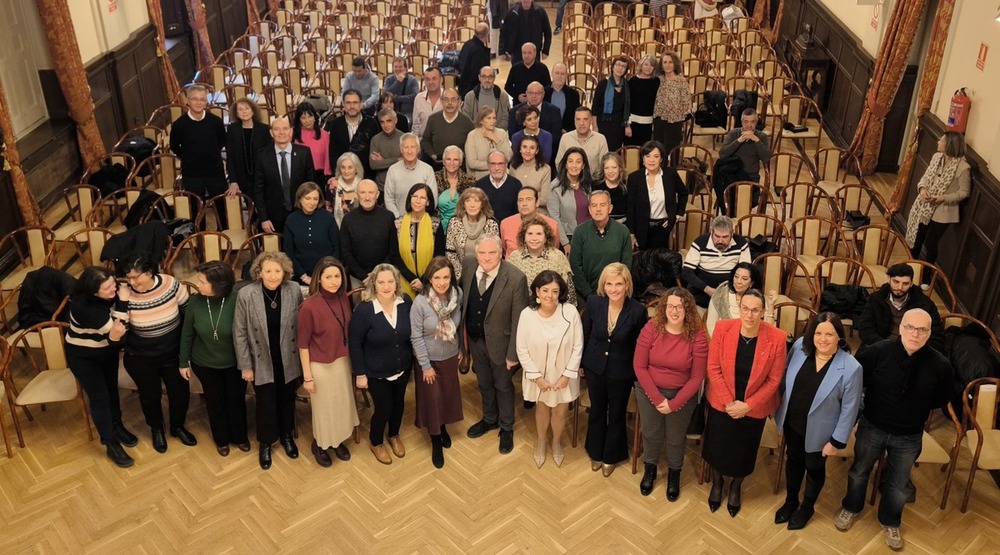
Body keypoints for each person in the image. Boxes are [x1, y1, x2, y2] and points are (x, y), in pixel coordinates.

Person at [834, 309, 952, 551]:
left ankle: (890, 520)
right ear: (901, 328)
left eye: (922, 330)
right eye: (910, 327)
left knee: (898, 485)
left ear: (929, 334)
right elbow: (857, 384)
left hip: (908, 435)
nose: (915, 334)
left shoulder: (941, 365)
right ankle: (851, 507)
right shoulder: (877, 352)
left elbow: (939, 398)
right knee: (859, 472)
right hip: (872, 427)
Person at [703, 289, 787, 517]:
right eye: (746, 309)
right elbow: (713, 368)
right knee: (717, 445)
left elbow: (774, 379)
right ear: (739, 307)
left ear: (763, 311)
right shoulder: (723, 328)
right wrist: (730, 402)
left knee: (743, 450)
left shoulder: (777, 337)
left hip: (753, 407)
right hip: (723, 402)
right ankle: (717, 483)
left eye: (755, 310)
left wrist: (747, 405)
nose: (750, 315)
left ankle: (736, 486)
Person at [774, 313, 862, 530]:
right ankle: (791, 501)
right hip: (793, 423)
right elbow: (784, 379)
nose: (823, 339)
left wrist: (836, 441)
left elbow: (851, 409)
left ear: (839, 337)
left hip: (822, 434)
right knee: (793, 462)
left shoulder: (851, 367)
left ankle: (807, 507)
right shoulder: (798, 349)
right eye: (819, 333)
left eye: (829, 334)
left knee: (814, 469)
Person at [116, 253, 194, 453]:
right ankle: (156, 429)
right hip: (141, 356)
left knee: (180, 393)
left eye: (136, 277)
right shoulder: (124, 294)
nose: (132, 282)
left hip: (172, 352)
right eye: (128, 278)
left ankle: (177, 426)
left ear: (149, 272)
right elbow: (119, 328)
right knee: (150, 396)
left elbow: (187, 311)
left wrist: (186, 348)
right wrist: (123, 301)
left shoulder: (170, 284)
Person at [634, 287, 707, 499]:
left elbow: (696, 378)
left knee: (675, 438)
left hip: (682, 396)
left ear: (688, 310)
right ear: (664, 308)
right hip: (649, 392)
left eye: (680, 307)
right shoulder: (650, 328)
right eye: (670, 306)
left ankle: (674, 474)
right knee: (651, 433)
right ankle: (650, 469)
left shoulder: (698, 336)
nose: (674, 311)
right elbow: (639, 367)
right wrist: (657, 399)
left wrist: (674, 404)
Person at [233, 252, 304, 470]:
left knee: (286, 399)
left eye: (277, 271)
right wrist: (245, 365)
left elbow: (301, 324)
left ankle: (286, 436)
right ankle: (266, 443)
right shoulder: (246, 294)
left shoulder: (293, 290)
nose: (273, 276)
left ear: (285, 272)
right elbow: (240, 332)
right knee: (265, 404)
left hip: (288, 357)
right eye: (268, 271)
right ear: (259, 272)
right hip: (260, 359)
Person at [462, 235, 529, 454]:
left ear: (501, 253)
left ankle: (506, 427)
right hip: (475, 339)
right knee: (484, 383)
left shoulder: (516, 277)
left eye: (492, 252)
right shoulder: (469, 264)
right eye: (482, 252)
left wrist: (513, 354)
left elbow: (519, 319)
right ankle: (490, 419)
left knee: (503, 385)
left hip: (502, 344)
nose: (487, 257)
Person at [65, 267, 136, 467]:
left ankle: (117, 425)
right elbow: (118, 327)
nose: (114, 288)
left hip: (106, 352)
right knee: (100, 397)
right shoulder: (83, 307)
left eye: (113, 283)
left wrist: (119, 291)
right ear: (92, 291)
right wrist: (123, 300)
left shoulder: (109, 290)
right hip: (83, 356)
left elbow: (114, 337)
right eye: (107, 288)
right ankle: (110, 442)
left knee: (112, 390)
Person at [580, 264, 646, 477]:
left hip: (622, 371)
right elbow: (585, 334)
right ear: (603, 285)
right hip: (595, 367)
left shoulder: (637, 310)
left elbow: (639, 346)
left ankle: (611, 455)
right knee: (597, 410)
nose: (614, 288)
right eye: (609, 283)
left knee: (617, 413)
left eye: (619, 284)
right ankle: (595, 451)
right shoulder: (593, 303)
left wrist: (636, 375)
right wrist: (581, 364)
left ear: (627, 285)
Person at [179, 262, 247, 457]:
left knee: (235, 400)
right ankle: (221, 439)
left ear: (219, 284)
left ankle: (240, 437)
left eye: (202, 282)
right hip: (205, 363)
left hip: (235, 363)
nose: (197, 285)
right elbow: (187, 334)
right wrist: (183, 362)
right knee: (215, 401)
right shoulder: (195, 302)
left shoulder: (238, 299)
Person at [348, 264, 414, 465]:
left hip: (402, 367)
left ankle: (393, 435)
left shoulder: (406, 302)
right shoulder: (364, 310)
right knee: (384, 408)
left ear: (397, 283)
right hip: (376, 372)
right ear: (374, 284)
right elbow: (355, 344)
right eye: (381, 282)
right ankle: (376, 442)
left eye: (390, 281)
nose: (386, 286)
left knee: (399, 404)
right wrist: (360, 373)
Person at [517, 271, 583, 468]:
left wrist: (566, 376)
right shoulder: (526, 315)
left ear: (560, 293)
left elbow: (578, 346)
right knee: (542, 408)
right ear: (537, 290)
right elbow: (521, 349)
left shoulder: (570, 312)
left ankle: (555, 443)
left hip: (563, 375)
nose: (550, 295)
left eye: (555, 291)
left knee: (561, 411)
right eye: (545, 290)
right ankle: (541, 442)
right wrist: (537, 378)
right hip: (539, 377)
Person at [297, 257, 358, 468]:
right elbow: (303, 345)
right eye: (328, 277)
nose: (334, 281)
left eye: (337, 276)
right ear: (319, 279)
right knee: (324, 409)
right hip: (320, 365)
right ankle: (321, 445)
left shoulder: (342, 297)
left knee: (340, 405)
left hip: (342, 361)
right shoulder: (308, 306)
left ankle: (337, 440)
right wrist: (307, 377)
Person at [409, 257, 465, 468]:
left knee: (446, 396)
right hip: (429, 360)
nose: (442, 282)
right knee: (432, 400)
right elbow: (415, 336)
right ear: (429, 279)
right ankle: (435, 440)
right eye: (437, 277)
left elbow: (458, 325)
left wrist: (460, 349)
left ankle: (443, 428)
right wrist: (425, 366)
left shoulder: (457, 295)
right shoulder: (420, 303)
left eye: (446, 277)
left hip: (450, 357)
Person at [905, 131, 971, 280]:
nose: (938, 142)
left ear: (949, 145)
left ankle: (926, 278)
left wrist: (943, 198)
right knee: (917, 239)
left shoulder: (963, 168)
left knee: (930, 243)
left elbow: (964, 192)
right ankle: (908, 272)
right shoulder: (936, 157)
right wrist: (922, 189)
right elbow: (925, 177)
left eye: (941, 141)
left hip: (943, 212)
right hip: (924, 206)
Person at [856, 263, 944, 352]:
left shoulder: (925, 304)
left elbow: (937, 336)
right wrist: (886, 346)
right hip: (882, 347)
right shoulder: (875, 299)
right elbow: (865, 328)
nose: (899, 288)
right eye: (896, 282)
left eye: (905, 284)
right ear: (889, 279)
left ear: (911, 284)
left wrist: (914, 349)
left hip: (913, 351)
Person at [253, 116, 316, 233]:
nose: (281, 132)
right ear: (271, 133)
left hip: (301, 212)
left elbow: (311, 185)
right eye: (277, 129)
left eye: (285, 128)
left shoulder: (304, 153)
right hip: (273, 217)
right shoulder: (262, 155)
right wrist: (263, 218)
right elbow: (258, 190)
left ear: (291, 131)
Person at [570, 190, 633, 301]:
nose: (598, 209)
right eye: (594, 206)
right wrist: (589, 294)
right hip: (586, 294)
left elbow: (626, 266)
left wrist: (615, 290)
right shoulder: (580, 231)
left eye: (602, 205)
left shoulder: (623, 231)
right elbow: (575, 266)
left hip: (615, 292)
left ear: (610, 208)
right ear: (589, 209)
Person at [339, 179, 402, 290]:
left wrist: (376, 274)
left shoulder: (388, 217)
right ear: (357, 194)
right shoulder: (348, 219)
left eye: (371, 192)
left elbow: (392, 250)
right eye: (363, 193)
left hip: (384, 278)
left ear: (377, 194)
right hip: (358, 279)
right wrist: (363, 276)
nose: (367, 197)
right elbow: (346, 253)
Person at [170, 84, 227, 204]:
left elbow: (222, 141)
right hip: (192, 173)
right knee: (196, 208)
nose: (198, 102)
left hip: (215, 171)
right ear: (188, 101)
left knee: (222, 207)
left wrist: (210, 152)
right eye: (194, 99)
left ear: (206, 102)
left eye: (202, 99)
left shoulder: (215, 121)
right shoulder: (179, 124)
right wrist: (188, 156)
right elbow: (174, 146)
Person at [681, 215, 752, 308]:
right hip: (703, 291)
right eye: (717, 236)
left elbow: (746, 270)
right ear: (711, 232)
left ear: (732, 233)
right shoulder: (700, 242)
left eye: (725, 237)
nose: (720, 241)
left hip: (731, 290)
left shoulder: (741, 243)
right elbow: (686, 272)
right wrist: (708, 289)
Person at [508, 216, 575, 306]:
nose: (534, 238)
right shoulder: (514, 258)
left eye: (539, 234)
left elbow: (569, 291)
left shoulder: (558, 257)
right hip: (522, 311)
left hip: (553, 310)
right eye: (530, 234)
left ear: (546, 237)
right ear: (524, 237)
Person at [396, 183, 446, 298]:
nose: (418, 201)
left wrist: (423, 281)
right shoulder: (398, 224)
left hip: (430, 282)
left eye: (422, 198)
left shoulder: (436, 224)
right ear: (410, 198)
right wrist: (413, 279)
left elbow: (439, 256)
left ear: (428, 202)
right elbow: (395, 256)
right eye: (415, 196)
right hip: (404, 282)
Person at [284, 182, 340, 285]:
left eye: (315, 199)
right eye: (308, 198)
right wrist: (304, 277)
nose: (312, 202)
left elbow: (337, 248)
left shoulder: (328, 218)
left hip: (327, 275)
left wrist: (327, 273)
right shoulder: (291, 220)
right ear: (300, 199)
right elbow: (289, 253)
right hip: (300, 277)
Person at [716, 108, 770, 213]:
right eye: (746, 122)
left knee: (750, 201)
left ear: (756, 122)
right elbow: (722, 154)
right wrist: (739, 141)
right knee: (732, 200)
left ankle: (742, 219)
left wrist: (756, 140)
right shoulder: (733, 134)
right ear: (741, 122)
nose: (749, 125)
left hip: (751, 176)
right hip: (732, 175)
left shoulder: (761, 136)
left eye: (752, 122)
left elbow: (766, 158)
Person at [706, 262, 775, 337]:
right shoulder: (720, 294)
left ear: (752, 283)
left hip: (752, 343)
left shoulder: (757, 298)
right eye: (736, 277)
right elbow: (711, 324)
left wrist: (771, 305)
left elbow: (769, 331)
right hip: (724, 341)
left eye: (744, 279)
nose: (738, 281)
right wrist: (721, 343)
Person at [445, 187, 500, 279]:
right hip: (461, 274)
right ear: (463, 204)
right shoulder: (454, 222)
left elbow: (495, 253)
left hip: (487, 273)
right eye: (468, 201)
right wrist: (461, 276)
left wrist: (484, 274)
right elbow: (450, 253)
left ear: (482, 204)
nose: (472, 205)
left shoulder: (491, 223)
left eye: (476, 201)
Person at [326, 89, 378, 179]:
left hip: (366, 177)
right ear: (343, 104)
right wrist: (337, 176)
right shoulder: (336, 123)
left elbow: (375, 151)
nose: (352, 106)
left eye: (355, 102)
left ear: (361, 104)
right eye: (348, 103)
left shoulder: (371, 123)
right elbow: (333, 153)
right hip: (343, 176)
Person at [548, 147, 594, 250]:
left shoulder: (587, 184)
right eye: (570, 161)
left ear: (583, 166)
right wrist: (565, 243)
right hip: (568, 237)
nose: (574, 165)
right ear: (565, 164)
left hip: (588, 234)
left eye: (578, 162)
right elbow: (554, 218)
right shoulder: (555, 186)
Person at [226, 97, 272, 197]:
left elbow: (270, 156)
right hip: (242, 178)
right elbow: (230, 156)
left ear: (253, 111)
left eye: (247, 108)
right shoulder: (232, 130)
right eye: (240, 109)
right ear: (237, 113)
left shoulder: (264, 129)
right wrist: (233, 181)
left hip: (263, 178)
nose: (244, 112)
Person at [385, 133, 438, 218]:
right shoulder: (392, 170)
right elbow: (389, 199)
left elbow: (432, 199)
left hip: (422, 220)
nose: (409, 151)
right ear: (401, 150)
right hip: (399, 220)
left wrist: (420, 218)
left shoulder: (428, 170)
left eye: (412, 147)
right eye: (406, 147)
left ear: (418, 149)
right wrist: (398, 218)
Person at [420, 88, 476, 170]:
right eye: (446, 99)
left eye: (453, 100)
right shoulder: (433, 119)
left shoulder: (467, 122)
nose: (450, 103)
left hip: (460, 169)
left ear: (459, 102)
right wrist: (432, 154)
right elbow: (425, 140)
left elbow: (473, 145)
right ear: (441, 101)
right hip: (437, 167)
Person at [500, 187, 560, 256]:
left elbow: (554, 249)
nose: (524, 204)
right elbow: (504, 250)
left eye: (529, 199)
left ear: (537, 203)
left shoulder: (552, 225)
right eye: (520, 200)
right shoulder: (505, 224)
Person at [652, 51, 690, 157]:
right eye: (665, 62)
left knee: (672, 149)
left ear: (675, 64)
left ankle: (671, 171)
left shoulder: (681, 81)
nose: (667, 65)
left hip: (675, 120)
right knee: (658, 148)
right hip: (659, 118)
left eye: (670, 62)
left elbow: (686, 102)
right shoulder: (658, 80)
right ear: (661, 65)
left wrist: (681, 118)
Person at [508, 82, 563, 151]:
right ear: (526, 94)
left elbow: (555, 136)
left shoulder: (554, 111)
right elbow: (512, 135)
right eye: (531, 93)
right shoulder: (514, 111)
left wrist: (536, 149)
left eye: (538, 93)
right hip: (522, 153)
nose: (534, 96)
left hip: (546, 151)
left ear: (543, 94)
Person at [434, 145, 477, 233]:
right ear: (443, 161)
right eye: (448, 159)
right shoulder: (434, 179)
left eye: (456, 160)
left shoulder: (470, 181)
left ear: (461, 162)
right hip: (438, 229)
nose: (452, 163)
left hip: (464, 229)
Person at [555, 107, 609, 176]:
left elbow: (604, 165)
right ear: (574, 121)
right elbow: (559, 163)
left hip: (593, 182)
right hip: (568, 182)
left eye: (585, 119)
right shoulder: (565, 138)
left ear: (591, 121)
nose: (581, 123)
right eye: (578, 119)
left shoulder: (600, 139)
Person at [592, 57, 632, 151]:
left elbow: (627, 108)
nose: (620, 68)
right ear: (613, 67)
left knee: (615, 152)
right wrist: (595, 126)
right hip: (603, 124)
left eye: (623, 66)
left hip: (618, 126)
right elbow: (595, 107)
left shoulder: (626, 85)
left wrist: (627, 125)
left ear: (626, 70)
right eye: (618, 65)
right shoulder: (603, 84)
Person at [499, 0, 552, 66]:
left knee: (534, 74)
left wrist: (545, 50)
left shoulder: (540, 12)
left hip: (534, 51)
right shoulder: (512, 12)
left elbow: (548, 32)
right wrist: (501, 51)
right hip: (517, 52)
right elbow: (504, 32)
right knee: (517, 74)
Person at [465, 107, 514, 179]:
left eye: (494, 118)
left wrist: (496, 140)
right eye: (489, 118)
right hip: (479, 178)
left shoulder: (502, 133)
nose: (492, 121)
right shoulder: (472, 136)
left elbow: (508, 157)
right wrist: (495, 165)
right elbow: (472, 163)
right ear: (481, 121)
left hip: (502, 176)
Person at [508, 135, 552, 213]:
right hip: (518, 211)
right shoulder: (513, 167)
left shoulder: (545, 169)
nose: (528, 151)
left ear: (537, 151)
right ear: (520, 149)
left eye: (532, 148)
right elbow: (512, 195)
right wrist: (535, 195)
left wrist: (522, 200)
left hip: (538, 212)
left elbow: (544, 199)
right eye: (524, 147)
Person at [476, 150, 523, 222]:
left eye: (500, 164)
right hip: (486, 228)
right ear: (488, 165)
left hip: (510, 227)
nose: (496, 168)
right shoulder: (480, 185)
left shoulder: (516, 185)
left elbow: (519, 212)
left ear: (506, 164)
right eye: (493, 164)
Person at [292, 102, 333, 185]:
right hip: (299, 175)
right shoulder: (293, 135)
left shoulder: (324, 135)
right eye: (303, 117)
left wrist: (328, 176)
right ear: (298, 120)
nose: (307, 120)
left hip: (319, 175)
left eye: (310, 116)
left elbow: (328, 157)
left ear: (315, 117)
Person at [627, 55, 660, 146]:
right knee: (630, 151)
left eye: (651, 65)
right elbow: (627, 103)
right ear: (641, 65)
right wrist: (627, 124)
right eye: (646, 64)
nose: (648, 67)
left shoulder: (656, 81)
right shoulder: (633, 81)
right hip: (632, 122)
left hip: (647, 123)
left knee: (644, 151)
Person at [369, 108, 404, 190]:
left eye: (389, 121)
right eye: (382, 122)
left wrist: (383, 161)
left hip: (400, 186)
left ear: (395, 120)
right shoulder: (375, 139)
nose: (386, 125)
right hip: (381, 187)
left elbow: (405, 162)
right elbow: (373, 165)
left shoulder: (404, 138)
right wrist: (397, 160)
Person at [329, 152, 365, 225]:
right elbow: (328, 212)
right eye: (343, 167)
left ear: (356, 169)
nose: (346, 171)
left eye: (350, 167)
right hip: (337, 228)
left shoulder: (363, 186)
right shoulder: (333, 186)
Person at [457, 23, 492, 98]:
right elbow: (477, 74)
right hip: (473, 91)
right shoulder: (479, 51)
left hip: (463, 85)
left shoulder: (467, 44)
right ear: (487, 34)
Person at [545, 62, 581, 133]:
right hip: (547, 132)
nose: (559, 76)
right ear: (552, 74)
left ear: (566, 76)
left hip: (567, 133)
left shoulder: (573, 94)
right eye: (557, 73)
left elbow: (576, 115)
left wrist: (567, 130)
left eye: (562, 74)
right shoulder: (544, 92)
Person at [383, 57, 419, 123]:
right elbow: (386, 95)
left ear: (405, 68)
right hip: (391, 111)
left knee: (407, 122)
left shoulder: (412, 80)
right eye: (396, 67)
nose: (398, 69)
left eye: (400, 66)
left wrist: (397, 98)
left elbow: (414, 96)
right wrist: (398, 82)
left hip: (407, 112)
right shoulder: (389, 79)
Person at [593, 152, 627, 223]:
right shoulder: (596, 186)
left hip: (622, 226)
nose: (610, 171)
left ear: (620, 168)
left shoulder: (627, 185)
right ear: (603, 169)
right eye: (607, 168)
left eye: (614, 167)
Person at [412, 67, 444, 138]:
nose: (431, 82)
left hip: (443, 141)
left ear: (441, 80)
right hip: (423, 141)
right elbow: (416, 125)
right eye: (428, 79)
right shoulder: (419, 98)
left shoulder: (448, 97)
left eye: (434, 78)